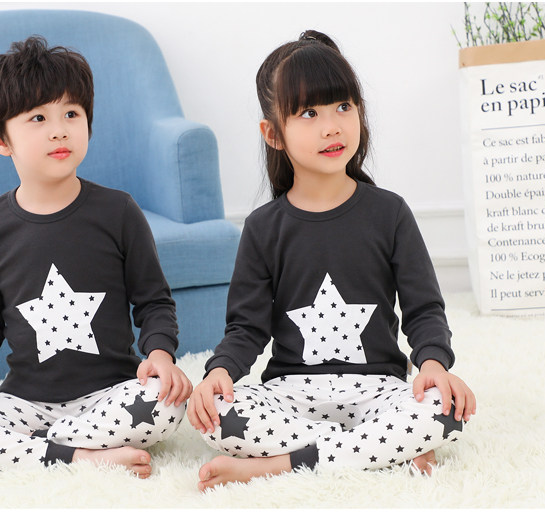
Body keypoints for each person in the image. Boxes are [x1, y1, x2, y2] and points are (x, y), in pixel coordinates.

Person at [187, 30, 476, 491]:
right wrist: (218, 371)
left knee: (445, 410)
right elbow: (246, 328)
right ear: (273, 134)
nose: (332, 127)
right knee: (217, 416)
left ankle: (280, 465)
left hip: (379, 389)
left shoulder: (390, 213)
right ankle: (381, 453)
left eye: (343, 106)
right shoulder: (262, 227)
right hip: (291, 392)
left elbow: (423, 309)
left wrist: (434, 365)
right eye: (309, 113)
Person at [0, 36, 192, 478]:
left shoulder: (118, 211)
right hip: (25, 401)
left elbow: (154, 302)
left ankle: (36, 452)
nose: (59, 130)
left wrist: (162, 356)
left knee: (166, 403)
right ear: (0, 139)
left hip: (110, 394)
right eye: (38, 118)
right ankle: (79, 457)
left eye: (72, 114)